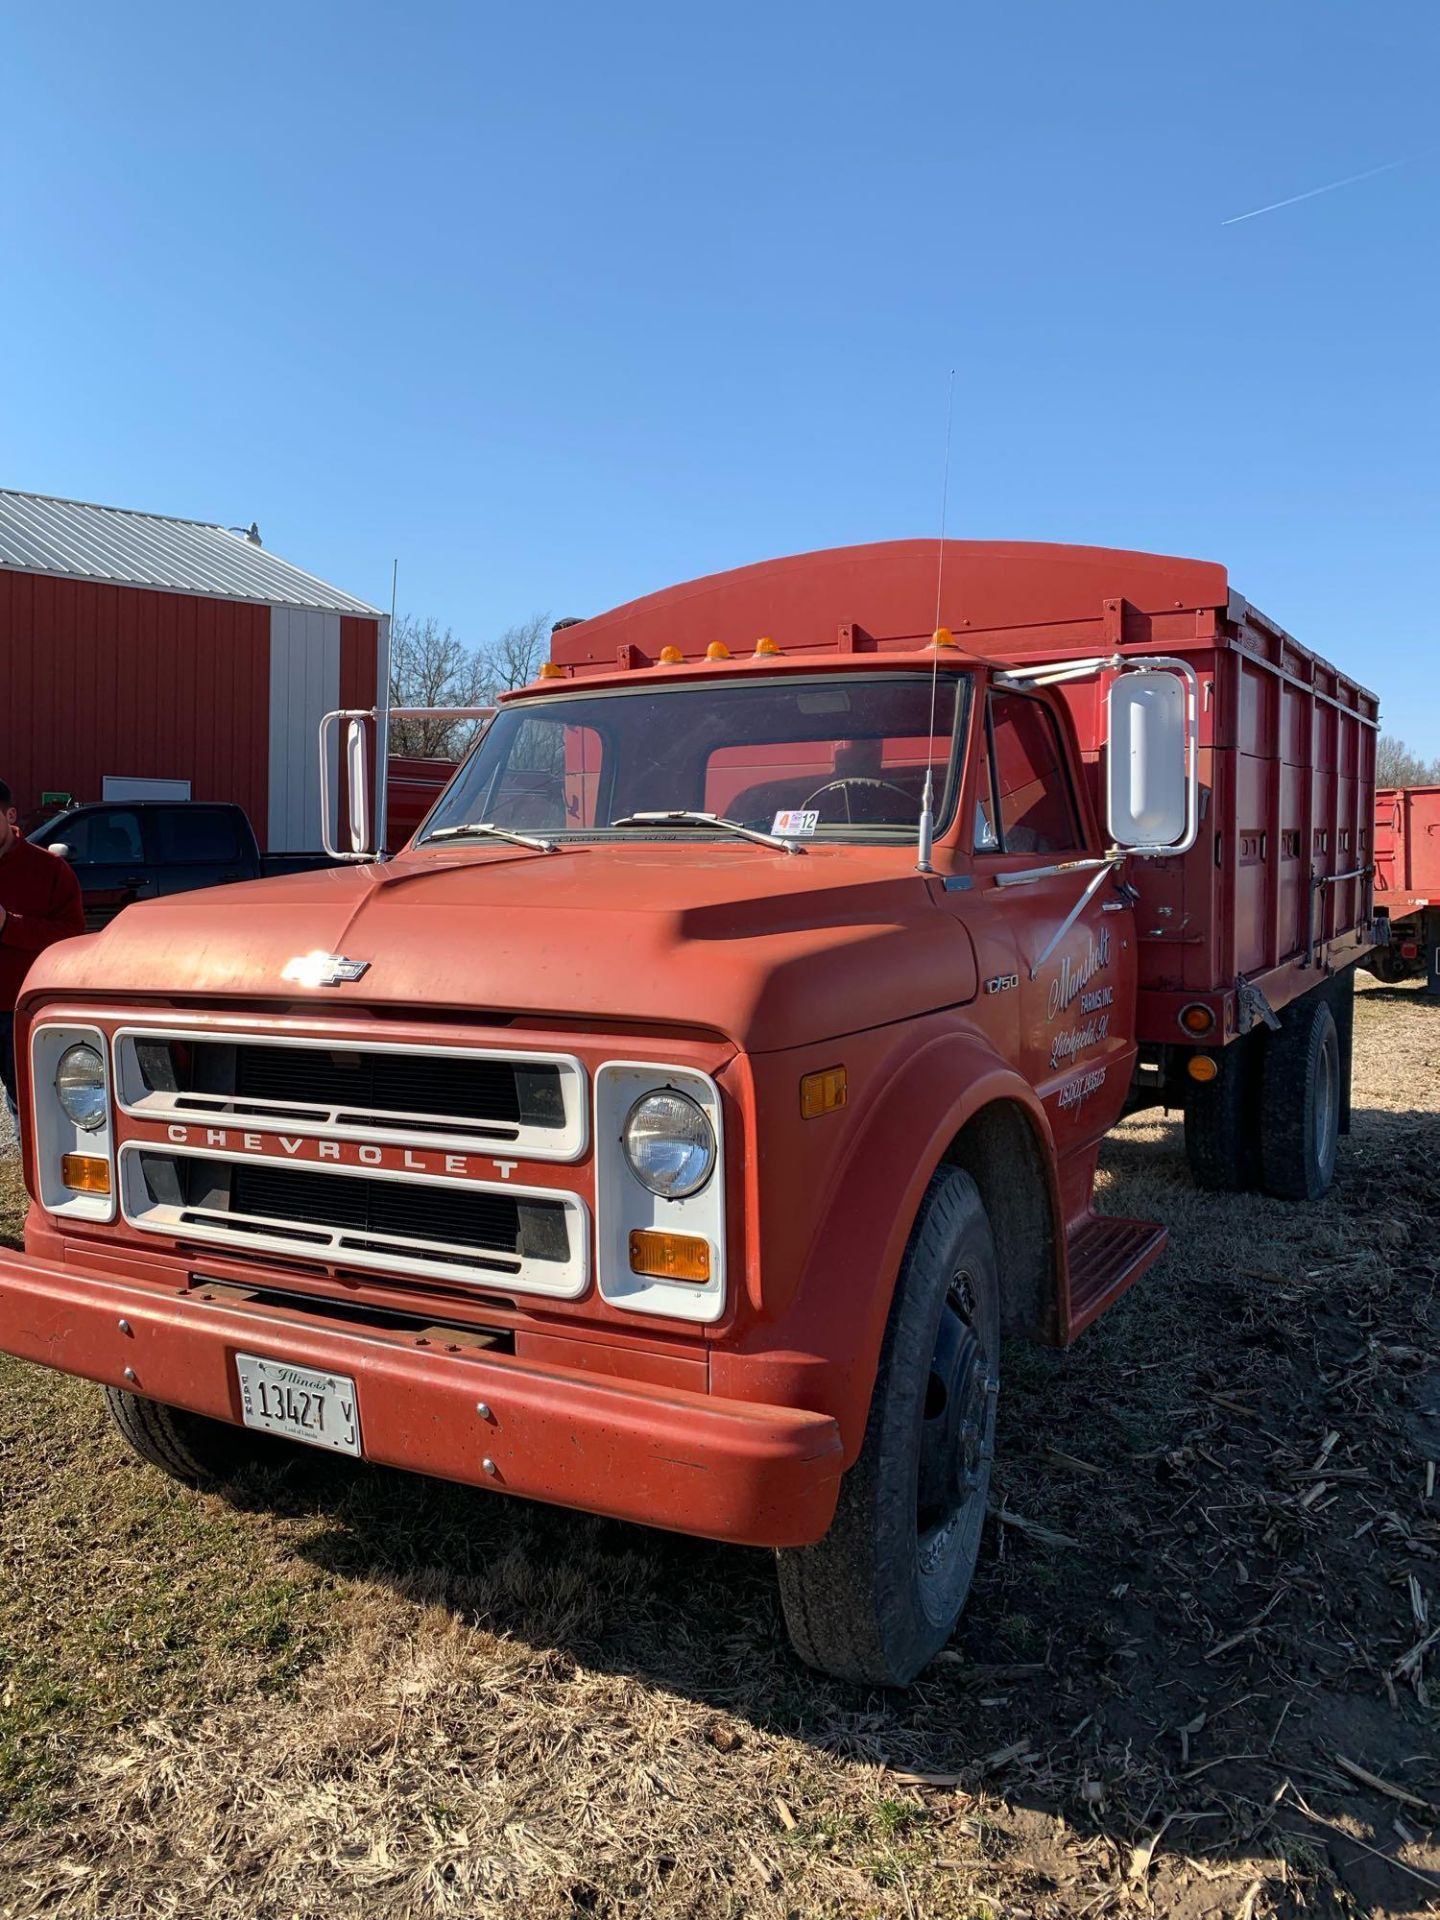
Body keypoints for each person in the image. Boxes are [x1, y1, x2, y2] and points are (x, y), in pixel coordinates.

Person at [0, 778, 86, 1136]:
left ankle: (34, 1184)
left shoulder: (49, 870)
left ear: (10, 815)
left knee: (28, 1109)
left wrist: (8, 925)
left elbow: (71, 936)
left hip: (17, 1011)